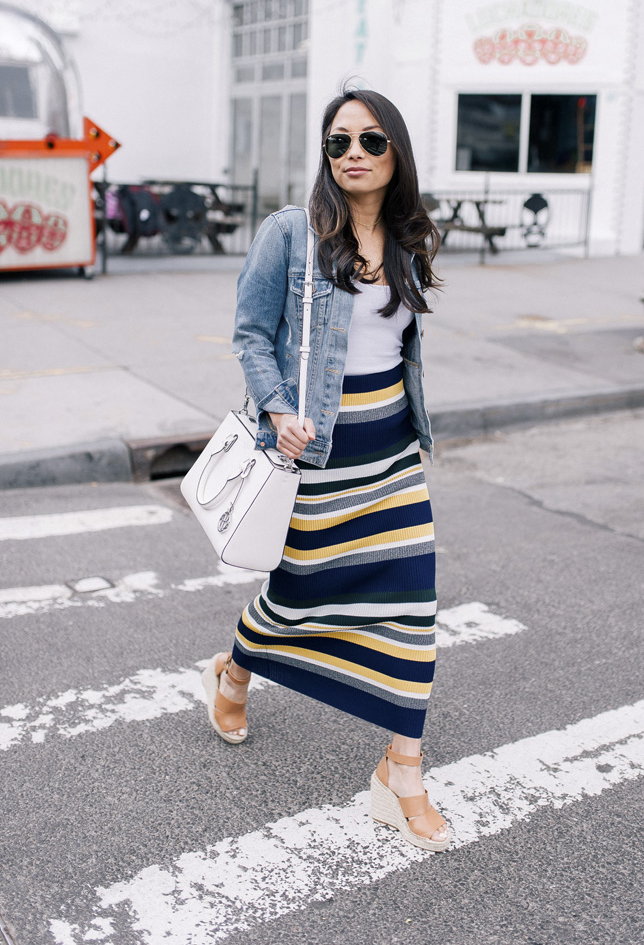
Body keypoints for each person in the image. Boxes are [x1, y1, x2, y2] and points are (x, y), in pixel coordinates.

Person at [201, 87, 449, 851]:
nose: (352, 154)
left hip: (393, 451)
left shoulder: (412, 236)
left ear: (395, 151)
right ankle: (234, 672)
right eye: (338, 142)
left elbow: (396, 349)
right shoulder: (291, 233)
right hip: (318, 450)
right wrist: (278, 410)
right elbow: (250, 332)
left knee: (414, 608)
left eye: (371, 141)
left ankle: (401, 770)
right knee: (296, 595)